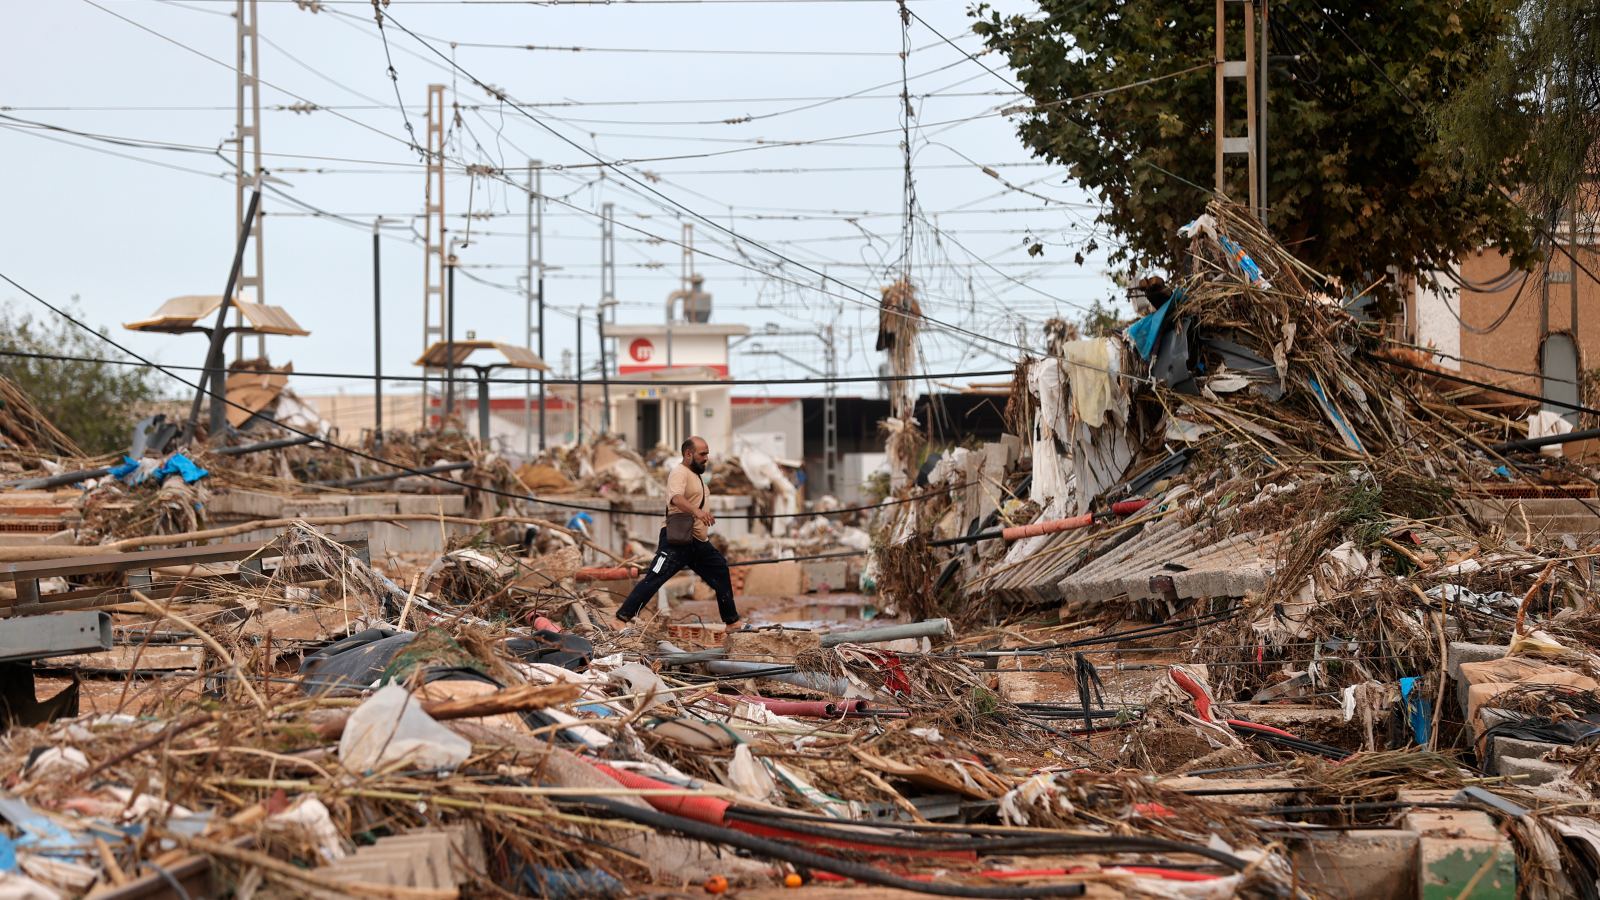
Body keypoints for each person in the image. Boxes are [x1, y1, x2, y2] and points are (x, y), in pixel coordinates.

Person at [614, 436, 740, 627]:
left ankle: (732, 622)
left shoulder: (696, 475)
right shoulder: (679, 473)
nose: (706, 457)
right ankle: (621, 618)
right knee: (655, 577)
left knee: (720, 569)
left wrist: (703, 513)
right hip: (677, 542)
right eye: (702, 454)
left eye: (707, 453)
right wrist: (698, 512)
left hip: (698, 543)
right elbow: (676, 498)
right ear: (688, 454)